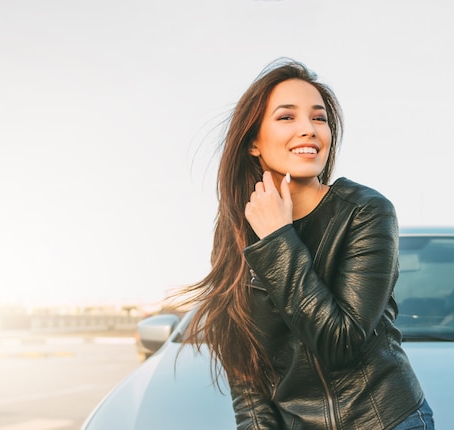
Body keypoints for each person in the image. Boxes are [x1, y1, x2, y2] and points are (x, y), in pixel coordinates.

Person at [178, 58, 434, 429]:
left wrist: (278, 240)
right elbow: (246, 371)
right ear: (253, 142)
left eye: (319, 118)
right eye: (287, 117)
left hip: (382, 420)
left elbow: (339, 344)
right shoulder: (236, 229)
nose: (308, 130)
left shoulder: (365, 212)